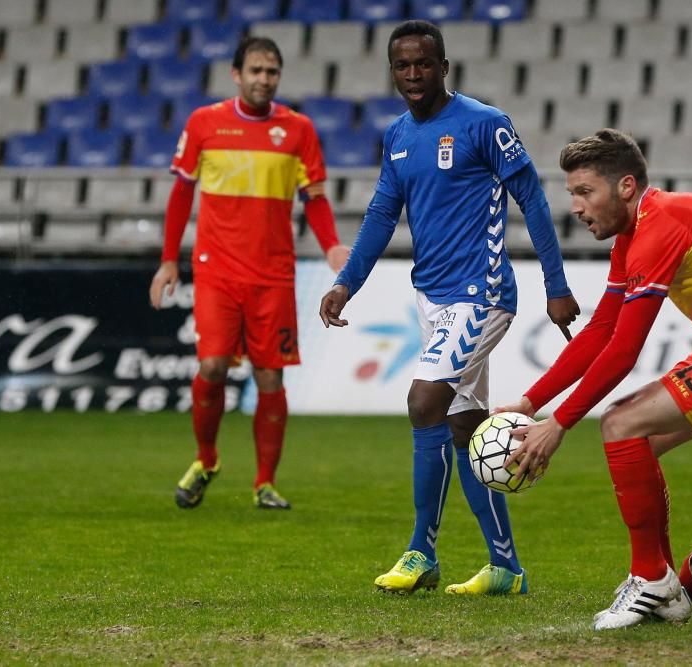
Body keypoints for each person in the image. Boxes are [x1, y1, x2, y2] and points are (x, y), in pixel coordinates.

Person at [499, 129, 692, 630]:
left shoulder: (661, 227)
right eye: (571, 194)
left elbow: (624, 350)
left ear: (625, 186)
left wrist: (557, 424)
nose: (575, 207)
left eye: (584, 192)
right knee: (633, 440)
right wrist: (527, 401)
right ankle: (663, 584)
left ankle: (652, 579)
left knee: (620, 423)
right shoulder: (636, 231)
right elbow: (602, 329)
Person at [319, 21, 579, 595]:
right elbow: (383, 215)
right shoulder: (397, 136)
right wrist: (346, 283)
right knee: (465, 428)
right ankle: (506, 567)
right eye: (402, 66)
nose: (413, 74)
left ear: (444, 65)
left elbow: (532, 198)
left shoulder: (485, 123)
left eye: (423, 64)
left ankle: (421, 552)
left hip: (481, 292)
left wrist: (554, 284)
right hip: (432, 297)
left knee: (423, 401)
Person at [149, 37, 350, 511]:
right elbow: (181, 193)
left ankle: (265, 483)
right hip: (216, 269)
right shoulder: (204, 123)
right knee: (212, 366)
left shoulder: (298, 129)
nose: (264, 78)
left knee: (270, 380)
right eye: (256, 70)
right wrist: (167, 259)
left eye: (272, 71)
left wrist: (331, 247)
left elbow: (315, 199)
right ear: (236, 75)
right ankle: (207, 459)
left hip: (273, 275)